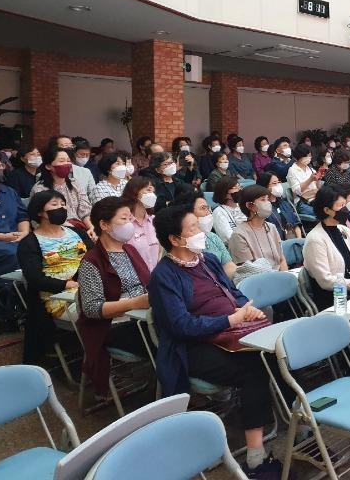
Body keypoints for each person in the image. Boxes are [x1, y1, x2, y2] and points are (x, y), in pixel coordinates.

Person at [148, 206, 287, 478]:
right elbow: (181, 325)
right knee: (255, 368)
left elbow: (233, 292)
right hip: (192, 348)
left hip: (231, 333)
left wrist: (247, 308)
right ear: (174, 239)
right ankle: (256, 457)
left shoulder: (208, 260)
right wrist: (229, 320)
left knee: (280, 352)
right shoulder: (163, 276)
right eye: (192, 228)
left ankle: (300, 423)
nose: (201, 231)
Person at [76, 197, 150, 396]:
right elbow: (92, 308)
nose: (130, 224)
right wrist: (134, 303)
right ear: (104, 225)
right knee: (170, 339)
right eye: (124, 219)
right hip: (114, 327)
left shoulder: (130, 250)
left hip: (143, 316)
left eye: (130, 218)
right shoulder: (91, 262)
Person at [19, 190, 92, 362]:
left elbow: (96, 258)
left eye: (63, 204)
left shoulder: (77, 233)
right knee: (104, 310)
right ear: (40, 212)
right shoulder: (30, 243)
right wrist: (67, 284)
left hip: (89, 287)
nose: (61, 208)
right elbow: (35, 279)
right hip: (59, 298)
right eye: (54, 204)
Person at [302, 185, 350, 310]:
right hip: (333, 297)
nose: (345, 209)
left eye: (345, 204)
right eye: (341, 206)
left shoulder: (343, 230)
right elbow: (325, 281)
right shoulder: (315, 240)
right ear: (327, 210)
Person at [0, 151, 30, 333]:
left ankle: (30, 304)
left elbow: (22, 215)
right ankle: (7, 307)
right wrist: (3, 237)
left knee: (35, 248)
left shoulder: (9, 191)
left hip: (15, 237)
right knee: (12, 253)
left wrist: (24, 233)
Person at [172, 188, 237, 278]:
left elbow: (228, 265)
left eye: (208, 208)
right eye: (203, 208)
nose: (208, 213)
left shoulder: (212, 237)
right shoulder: (180, 241)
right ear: (188, 213)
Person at [30, 148, 93, 235]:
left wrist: (91, 228)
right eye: (61, 161)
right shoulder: (40, 188)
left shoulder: (75, 184)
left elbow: (85, 212)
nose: (66, 164)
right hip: (54, 230)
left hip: (79, 228)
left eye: (68, 161)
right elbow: (38, 219)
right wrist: (72, 229)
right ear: (48, 166)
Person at [227, 184, 288, 271]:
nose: (268, 203)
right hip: (259, 277)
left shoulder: (271, 227)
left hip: (280, 275)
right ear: (249, 205)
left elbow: (281, 260)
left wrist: (285, 276)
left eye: (268, 199)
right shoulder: (239, 235)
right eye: (263, 200)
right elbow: (249, 270)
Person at [121, 176, 160, 271]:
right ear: (135, 192)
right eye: (148, 190)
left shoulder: (154, 221)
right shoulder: (123, 223)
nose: (152, 194)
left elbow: (159, 252)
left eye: (153, 191)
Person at [256, 172, 303, 239]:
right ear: (265, 187)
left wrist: (299, 240)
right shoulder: (262, 208)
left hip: (293, 240)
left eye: (278, 182)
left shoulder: (284, 203)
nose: (278, 186)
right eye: (274, 183)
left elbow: (295, 225)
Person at [286, 143, 322, 217]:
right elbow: (297, 191)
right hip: (302, 202)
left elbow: (318, 187)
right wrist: (310, 180)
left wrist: (318, 179)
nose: (310, 158)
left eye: (310, 155)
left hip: (315, 198)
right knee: (325, 212)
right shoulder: (292, 170)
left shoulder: (310, 169)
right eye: (308, 156)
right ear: (300, 156)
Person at [210, 177, 246, 244]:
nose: (239, 190)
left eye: (239, 186)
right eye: (235, 188)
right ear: (224, 193)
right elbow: (228, 237)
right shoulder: (218, 212)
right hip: (237, 246)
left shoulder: (243, 205)